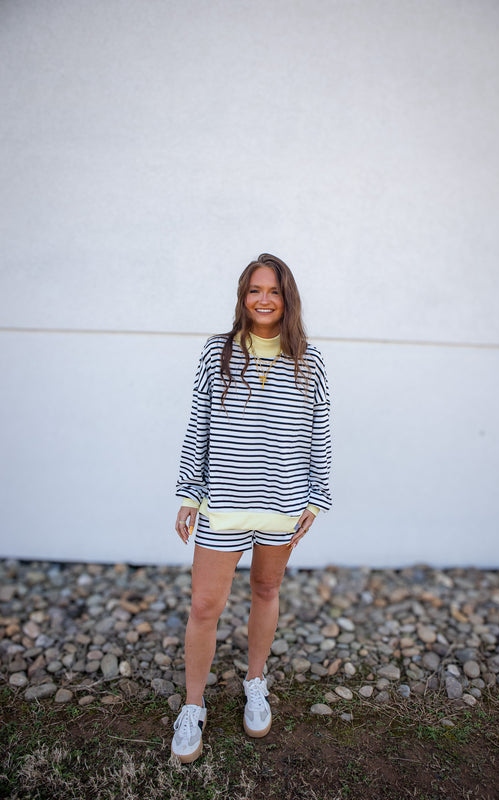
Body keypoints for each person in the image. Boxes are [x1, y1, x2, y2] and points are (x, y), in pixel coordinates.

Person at [171, 253, 331, 763]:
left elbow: (319, 432)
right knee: (204, 605)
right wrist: (189, 492)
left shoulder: (310, 360)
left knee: (266, 588)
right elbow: (199, 424)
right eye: (254, 290)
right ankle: (193, 705)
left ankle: (255, 681)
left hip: (283, 505)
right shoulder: (216, 352)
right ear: (243, 296)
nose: (264, 300)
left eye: (274, 291)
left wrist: (317, 497)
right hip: (225, 505)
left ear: (288, 299)